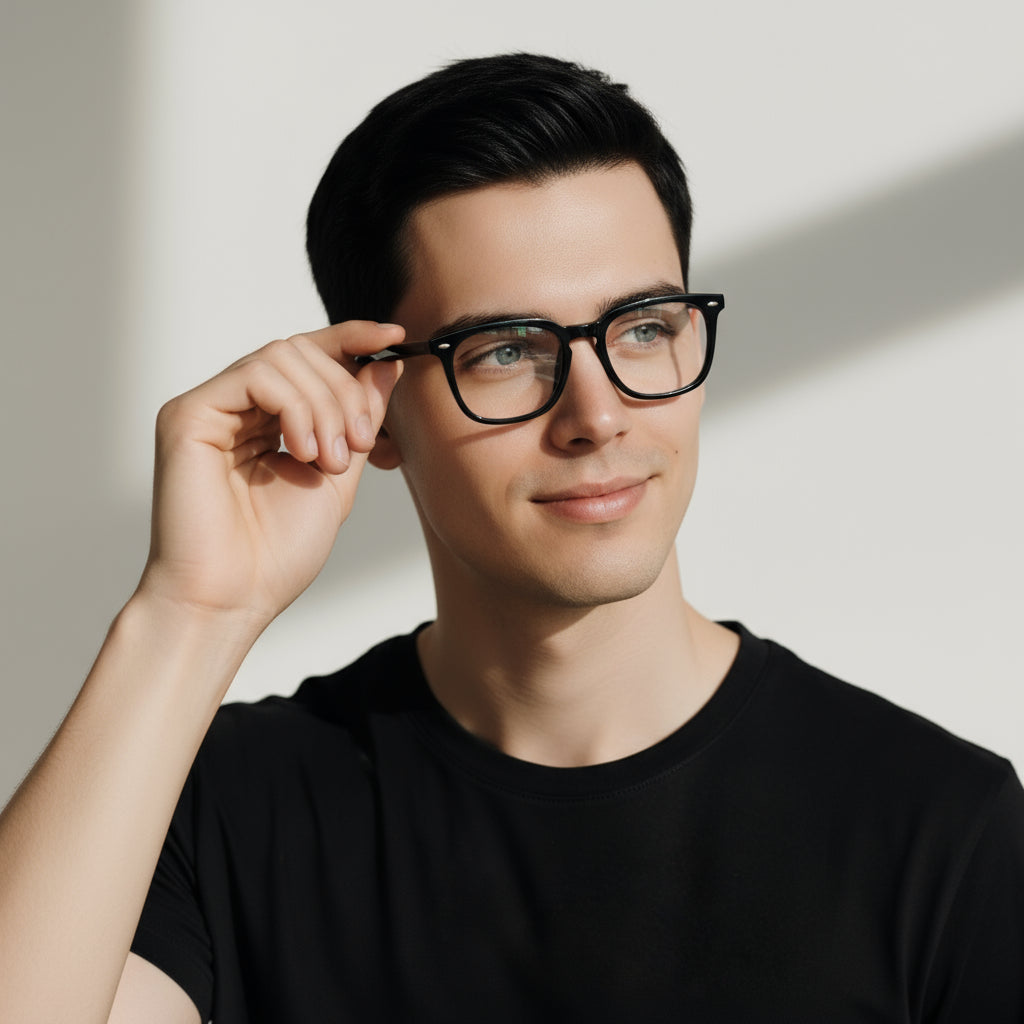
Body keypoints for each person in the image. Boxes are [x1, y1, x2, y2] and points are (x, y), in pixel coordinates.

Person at [1, 53, 1022, 1023]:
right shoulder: (226, 806)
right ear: (377, 411)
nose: (598, 414)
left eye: (643, 328)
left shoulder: (941, 827)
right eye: (505, 350)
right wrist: (191, 613)